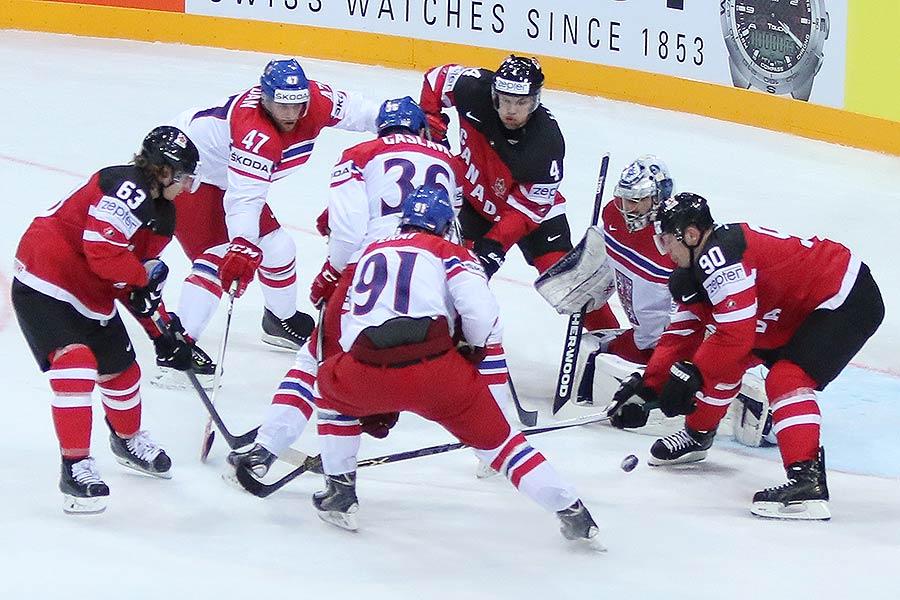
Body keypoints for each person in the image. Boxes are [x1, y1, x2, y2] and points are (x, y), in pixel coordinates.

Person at [309, 184, 603, 549]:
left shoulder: (370, 252)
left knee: (330, 395)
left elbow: (350, 325)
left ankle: (340, 492)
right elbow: (483, 315)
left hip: (367, 368)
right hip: (438, 372)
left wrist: (374, 394)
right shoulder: (451, 251)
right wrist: (474, 352)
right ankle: (572, 512)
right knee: (504, 446)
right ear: (446, 225)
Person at [227, 97, 469, 479]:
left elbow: (349, 231)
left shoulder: (360, 152)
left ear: (381, 129)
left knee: (318, 359)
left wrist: (331, 272)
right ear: (421, 129)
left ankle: (267, 449)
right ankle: (495, 445)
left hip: (371, 267)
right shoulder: (451, 162)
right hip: (432, 273)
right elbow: (452, 228)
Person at [607, 192, 884, 520]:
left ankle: (806, 483)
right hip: (793, 307)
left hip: (845, 299)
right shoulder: (695, 268)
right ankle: (698, 435)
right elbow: (683, 333)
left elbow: (734, 336)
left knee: (786, 378)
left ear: (692, 235)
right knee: (727, 361)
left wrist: (692, 374)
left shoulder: (721, 261)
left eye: (667, 239)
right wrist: (649, 385)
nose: (664, 248)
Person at [11, 126, 200, 514]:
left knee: (123, 373)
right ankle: (75, 466)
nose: (187, 187)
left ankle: (127, 440)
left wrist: (162, 333)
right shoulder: (124, 188)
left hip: (91, 292)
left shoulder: (162, 214)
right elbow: (105, 255)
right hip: (45, 282)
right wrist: (145, 280)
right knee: (76, 364)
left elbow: (133, 280)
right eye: (182, 177)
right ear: (162, 172)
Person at [168, 57, 380, 356]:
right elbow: (245, 199)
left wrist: (391, 117)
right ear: (264, 98)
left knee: (279, 249)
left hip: (224, 176)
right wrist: (241, 244)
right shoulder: (254, 132)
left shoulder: (315, 101)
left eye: (298, 104)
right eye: (283, 105)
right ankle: (179, 348)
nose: (292, 113)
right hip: (185, 175)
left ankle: (279, 321)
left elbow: (356, 111)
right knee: (218, 258)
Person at [419, 55, 616, 330]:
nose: (512, 110)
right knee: (459, 280)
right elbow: (436, 80)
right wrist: (433, 127)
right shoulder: (473, 89)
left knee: (569, 282)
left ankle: (613, 343)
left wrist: (496, 245)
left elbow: (528, 210)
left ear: (535, 100)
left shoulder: (545, 143)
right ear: (494, 94)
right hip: (476, 202)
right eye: (506, 100)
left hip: (534, 215)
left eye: (522, 102)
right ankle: (450, 342)